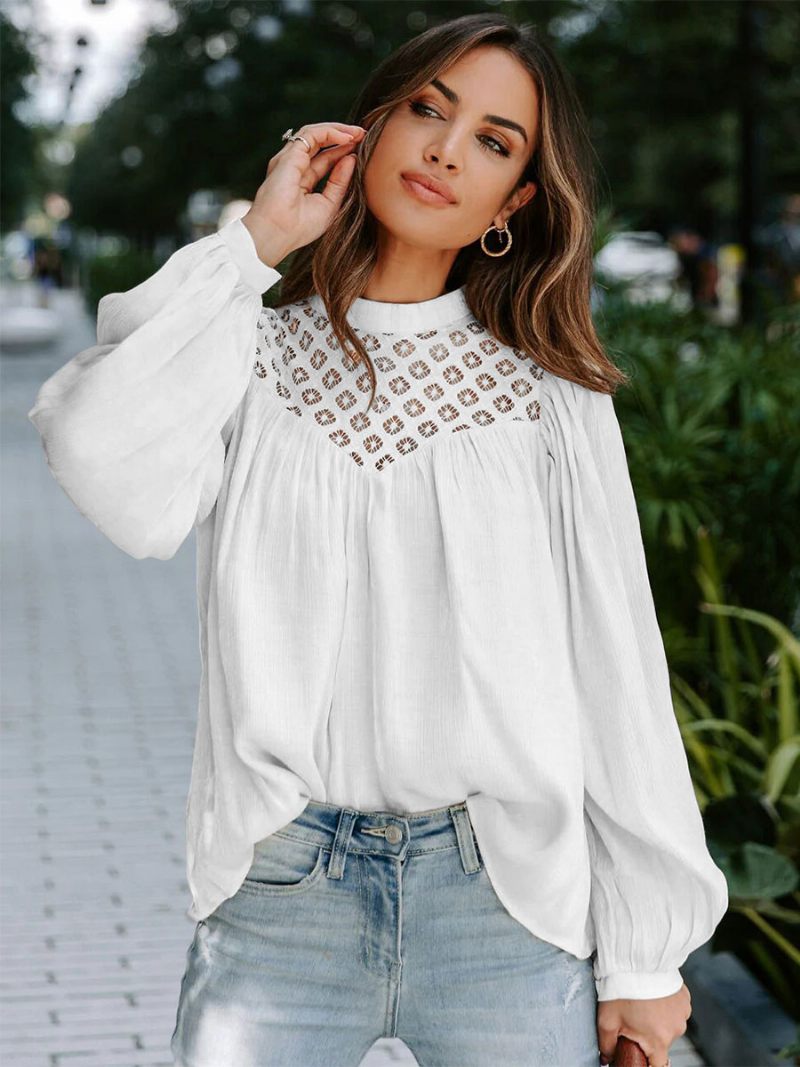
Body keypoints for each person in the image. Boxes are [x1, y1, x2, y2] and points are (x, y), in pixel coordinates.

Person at [27, 12, 727, 1067]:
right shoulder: (252, 356)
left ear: (514, 202)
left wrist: (641, 955)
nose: (447, 149)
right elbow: (91, 444)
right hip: (278, 888)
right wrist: (256, 242)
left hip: (504, 896)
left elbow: (613, 667)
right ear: (369, 129)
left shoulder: (549, 398)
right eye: (427, 111)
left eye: (493, 141)